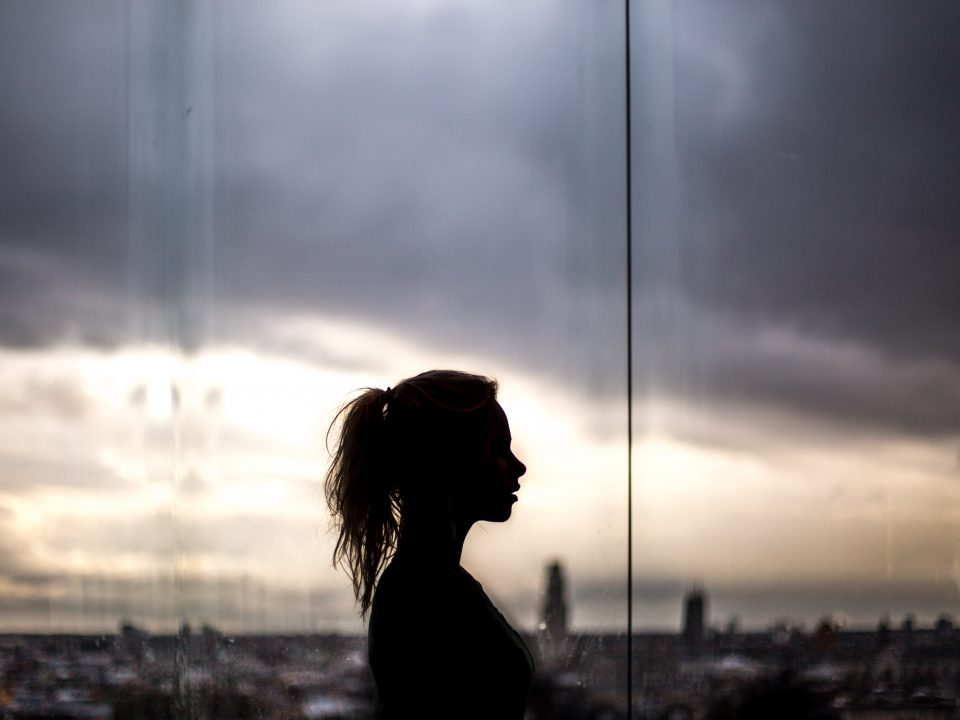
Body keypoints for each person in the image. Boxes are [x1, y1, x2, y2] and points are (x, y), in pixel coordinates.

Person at [325, 369, 533, 718]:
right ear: (451, 462)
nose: (519, 466)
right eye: (498, 449)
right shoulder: (424, 594)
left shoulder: (424, 584)